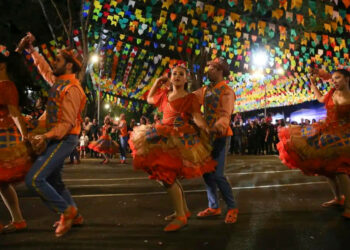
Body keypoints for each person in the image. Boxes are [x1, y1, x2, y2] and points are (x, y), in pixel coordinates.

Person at [129, 63, 216, 232]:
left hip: (179, 139)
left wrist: (206, 128)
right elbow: (149, 98)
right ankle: (182, 210)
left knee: (167, 177)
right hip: (161, 136)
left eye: (180, 74)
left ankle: (181, 217)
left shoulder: (190, 98)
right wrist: (157, 82)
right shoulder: (165, 95)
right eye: (174, 74)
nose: (176, 76)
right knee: (165, 177)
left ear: (186, 79)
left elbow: (197, 116)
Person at [17, 33, 86, 237]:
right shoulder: (59, 82)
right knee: (55, 181)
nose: (53, 63)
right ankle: (76, 215)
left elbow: (66, 124)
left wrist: (45, 136)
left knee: (35, 179)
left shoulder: (72, 89)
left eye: (58, 60)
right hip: (57, 136)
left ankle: (67, 211)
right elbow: (44, 69)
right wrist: (31, 50)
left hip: (65, 138)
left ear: (69, 66)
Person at [277, 68, 350, 218]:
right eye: (333, 78)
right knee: (327, 168)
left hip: (343, 136)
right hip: (326, 132)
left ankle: (349, 206)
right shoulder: (332, 92)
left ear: (347, 79)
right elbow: (321, 99)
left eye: (338, 78)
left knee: (341, 170)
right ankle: (338, 198)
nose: (334, 81)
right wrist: (312, 83)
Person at [193, 57, 239, 224]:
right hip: (207, 136)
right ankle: (214, 206)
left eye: (211, 68)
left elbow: (226, 114)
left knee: (218, 175)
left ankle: (232, 207)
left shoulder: (226, 91)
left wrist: (219, 126)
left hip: (221, 136)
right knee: (206, 173)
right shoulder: (206, 89)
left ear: (220, 70)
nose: (208, 71)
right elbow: (190, 100)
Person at [0, 45, 33, 234]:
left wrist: (24, 135)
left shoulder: (6, 86)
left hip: (3, 136)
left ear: (2, 66)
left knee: (3, 183)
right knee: (3, 184)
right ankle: (18, 219)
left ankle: (18, 218)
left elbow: (14, 112)